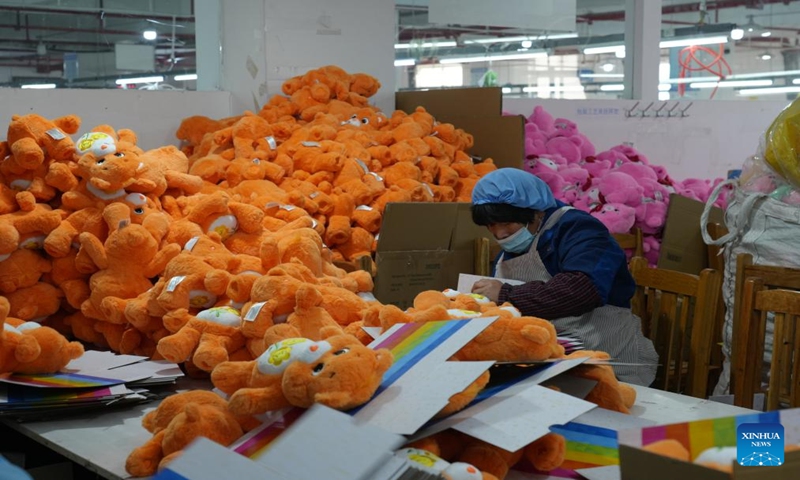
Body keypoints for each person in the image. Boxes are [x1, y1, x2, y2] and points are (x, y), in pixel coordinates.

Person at [470, 168, 657, 386]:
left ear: (536, 212)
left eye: (507, 224)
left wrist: (507, 295)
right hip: (546, 358)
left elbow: (582, 288)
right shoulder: (512, 247)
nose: (499, 234)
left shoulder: (580, 230)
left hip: (607, 358)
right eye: (491, 225)